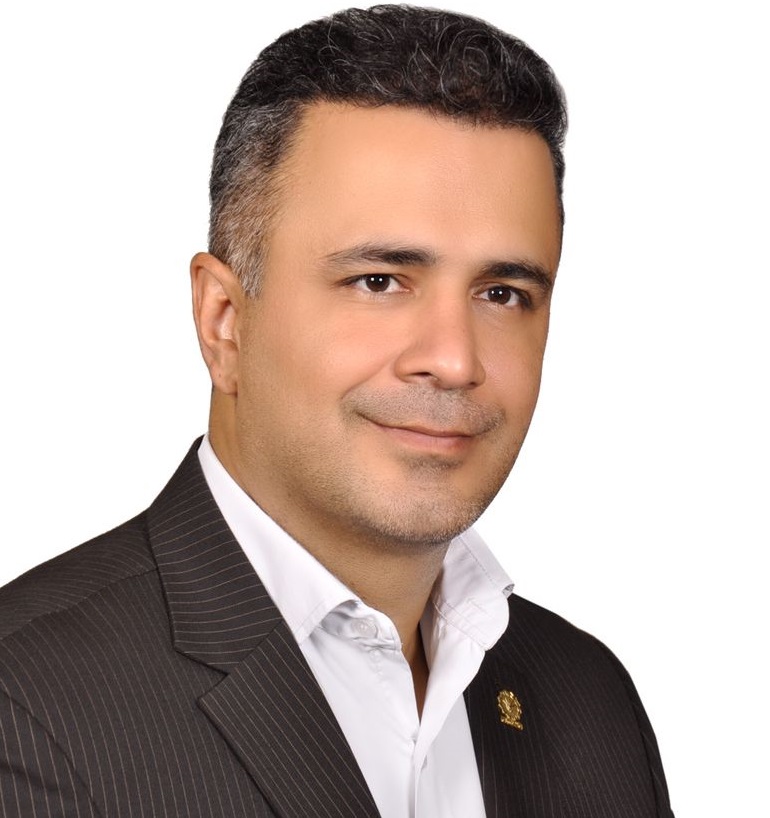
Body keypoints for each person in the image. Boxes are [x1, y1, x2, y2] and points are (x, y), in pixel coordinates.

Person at [0, 6, 673, 817]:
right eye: (379, 282)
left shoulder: (589, 701)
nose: (454, 359)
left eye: (502, 293)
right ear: (224, 321)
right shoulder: (25, 702)